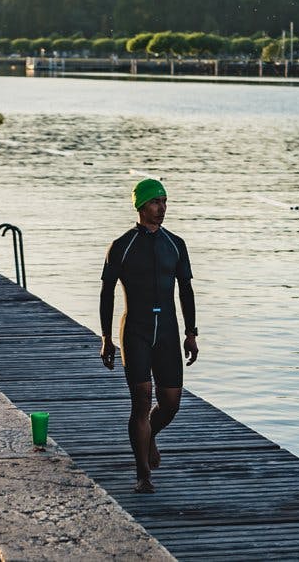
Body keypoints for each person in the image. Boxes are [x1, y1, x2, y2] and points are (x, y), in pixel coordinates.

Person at [99, 178, 198, 493]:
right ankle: (143, 474)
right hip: (136, 332)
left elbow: (186, 290)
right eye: (156, 202)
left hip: (168, 332)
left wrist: (191, 332)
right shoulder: (122, 246)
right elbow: (106, 293)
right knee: (141, 402)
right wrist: (105, 338)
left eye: (165, 202)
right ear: (141, 206)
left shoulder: (175, 244)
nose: (161, 208)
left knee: (170, 404)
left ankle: (149, 436)